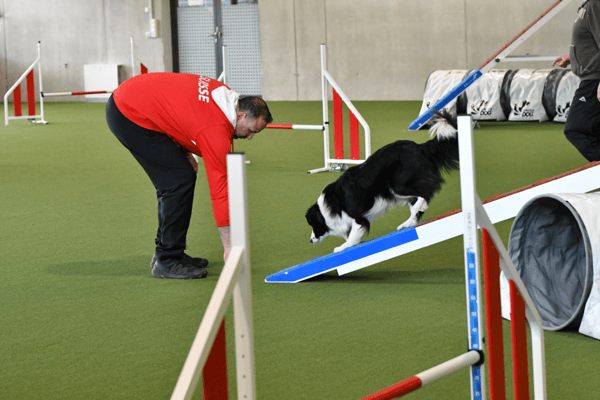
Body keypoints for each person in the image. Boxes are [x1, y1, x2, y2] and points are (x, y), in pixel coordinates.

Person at [105, 72, 272, 279]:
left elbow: (182, 113)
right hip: (128, 113)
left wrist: (184, 151)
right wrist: (229, 247)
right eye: (251, 131)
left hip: (134, 97)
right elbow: (220, 191)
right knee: (177, 181)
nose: (250, 137)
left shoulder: (224, 96)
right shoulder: (216, 131)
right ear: (241, 116)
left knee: (181, 175)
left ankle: (168, 252)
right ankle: (167, 260)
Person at [553, 0, 600, 162]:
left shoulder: (595, 5)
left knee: (576, 129)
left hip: (594, 80)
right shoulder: (590, 5)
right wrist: (572, 57)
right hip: (592, 77)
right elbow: (591, 41)